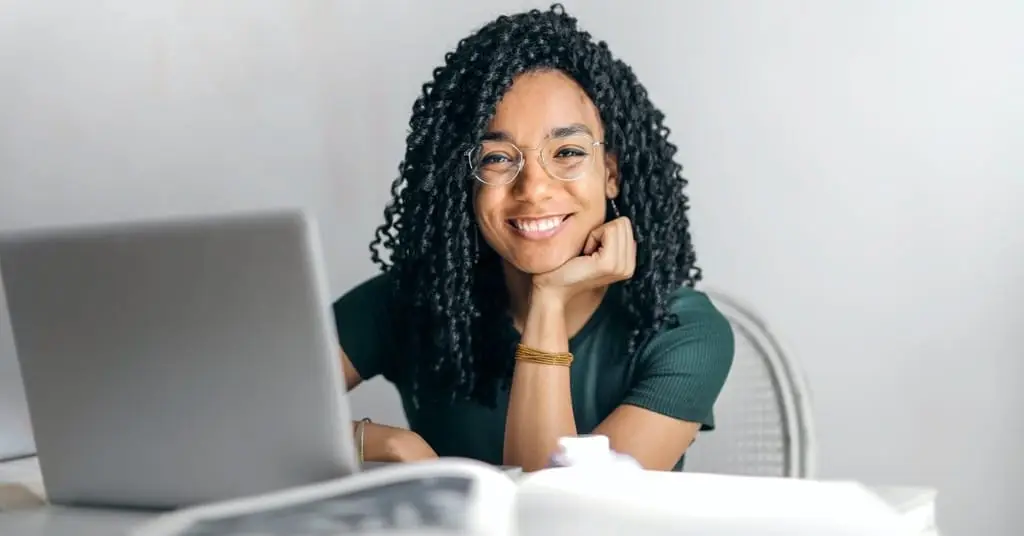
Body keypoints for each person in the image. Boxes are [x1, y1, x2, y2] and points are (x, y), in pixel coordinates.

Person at [333, 4, 734, 472]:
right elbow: (240, 418)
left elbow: (562, 514)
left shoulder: (682, 332)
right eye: (497, 159)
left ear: (611, 173)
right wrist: (387, 444)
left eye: (567, 152)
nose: (534, 188)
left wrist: (549, 299)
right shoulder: (410, 301)